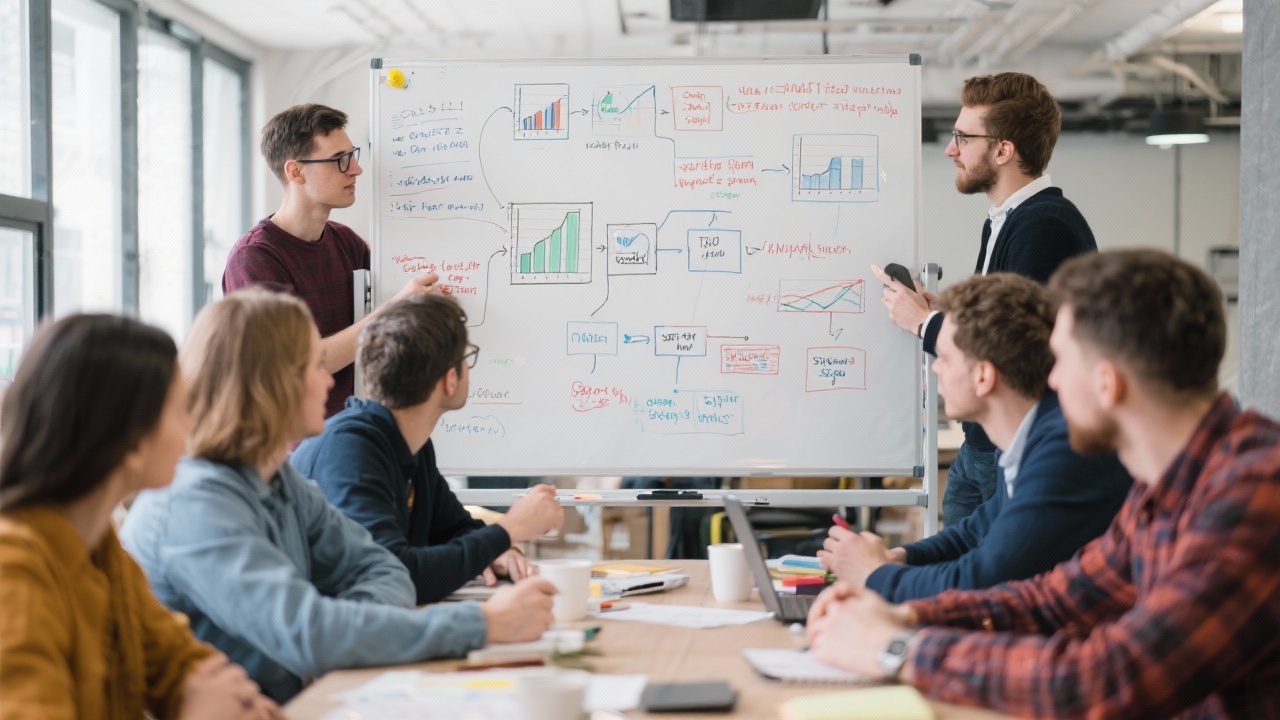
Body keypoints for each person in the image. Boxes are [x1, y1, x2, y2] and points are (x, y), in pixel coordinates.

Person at [807, 249, 1280, 718]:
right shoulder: (1167, 486)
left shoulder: (1254, 492)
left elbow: (1105, 679)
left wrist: (896, 648)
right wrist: (907, 615)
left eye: (1061, 361)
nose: (1050, 380)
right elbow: (1055, 600)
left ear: (1106, 384)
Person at [121, 289, 555, 703]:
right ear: (272, 384)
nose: (329, 380)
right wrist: (481, 624)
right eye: (315, 366)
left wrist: (350, 630)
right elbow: (313, 634)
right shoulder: (195, 505)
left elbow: (386, 571)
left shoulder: (278, 482)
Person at [0, 314, 280, 719]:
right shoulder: (15, 569)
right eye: (180, 412)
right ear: (131, 441)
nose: (190, 427)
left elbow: (179, 662)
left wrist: (233, 700)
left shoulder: (100, 547)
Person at [819, 273, 1131, 601]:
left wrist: (873, 574)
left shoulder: (1062, 450)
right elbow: (974, 533)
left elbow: (982, 578)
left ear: (983, 376)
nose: (936, 369)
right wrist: (901, 557)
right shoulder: (1032, 436)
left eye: (945, 358)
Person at [878, 72, 1098, 526]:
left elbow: (1014, 348)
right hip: (982, 445)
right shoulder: (1006, 220)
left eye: (963, 137)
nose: (950, 149)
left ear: (1003, 150)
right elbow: (1006, 320)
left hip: (1016, 447)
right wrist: (947, 314)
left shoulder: (1044, 226)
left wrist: (924, 324)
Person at [291, 294, 565, 604]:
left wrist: (496, 551)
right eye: (466, 357)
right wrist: (510, 528)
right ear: (450, 379)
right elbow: (393, 576)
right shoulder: (348, 451)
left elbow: (456, 529)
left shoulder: (410, 444)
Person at [223, 103, 438, 418]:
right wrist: (395, 310)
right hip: (297, 443)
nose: (356, 169)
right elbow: (297, 365)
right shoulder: (254, 259)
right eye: (340, 160)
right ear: (295, 172)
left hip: (355, 428)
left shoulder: (346, 243)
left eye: (352, 155)